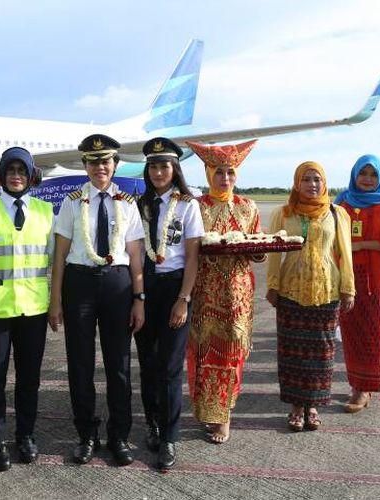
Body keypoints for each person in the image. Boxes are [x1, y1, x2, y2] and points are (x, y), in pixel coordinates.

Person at [49, 133, 145, 467]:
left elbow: (135, 256)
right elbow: (59, 254)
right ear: (85, 165)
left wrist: (139, 299)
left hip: (118, 286)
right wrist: (55, 300)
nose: (100, 167)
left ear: (116, 164)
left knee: (118, 365)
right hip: (79, 285)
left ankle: (119, 436)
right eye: (93, 161)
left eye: (105, 161)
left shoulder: (128, 203)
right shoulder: (72, 202)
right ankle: (86, 434)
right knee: (80, 364)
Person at [0, 147, 54, 471]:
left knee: (29, 380)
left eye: (22, 170)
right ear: (0, 176)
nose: (16, 175)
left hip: (33, 310)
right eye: (10, 170)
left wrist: (55, 304)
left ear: (32, 176)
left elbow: (54, 263)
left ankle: (25, 436)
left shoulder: (46, 212)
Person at [266, 161, 355, 431]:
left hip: (326, 290)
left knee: (322, 352)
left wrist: (348, 288)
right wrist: (272, 284)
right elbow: (274, 251)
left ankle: (313, 405)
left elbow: (345, 252)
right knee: (292, 352)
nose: (312, 185)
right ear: (296, 183)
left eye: (317, 179)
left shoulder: (337, 213)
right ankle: (295, 406)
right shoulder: (284, 213)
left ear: (324, 182)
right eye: (306, 179)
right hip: (291, 290)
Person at [184, 139, 261, 445]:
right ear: (208, 173)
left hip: (237, 295)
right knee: (201, 354)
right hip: (203, 292)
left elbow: (257, 248)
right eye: (219, 172)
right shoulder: (196, 207)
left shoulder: (247, 207)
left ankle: (224, 417)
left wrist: (259, 251)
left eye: (230, 172)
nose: (225, 178)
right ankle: (206, 411)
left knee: (231, 356)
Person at [135, 138, 202, 469]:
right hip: (145, 291)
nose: (159, 171)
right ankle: (153, 423)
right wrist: (137, 298)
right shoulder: (138, 205)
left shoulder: (188, 205)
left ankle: (170, 438)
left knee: (171, 366)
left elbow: (192, 257)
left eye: (165, 165)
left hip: (175, 289)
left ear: (175, 169)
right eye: (153, 165)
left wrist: (184, 299)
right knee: (148, 363)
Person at [335, 155, 380, 410]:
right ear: (355, 175)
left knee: (372, 334)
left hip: (378, 280)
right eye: (363, 174)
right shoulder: (342, 202)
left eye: (372, 174)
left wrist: (361, 245)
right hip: (347, 277)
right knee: (351, 334)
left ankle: (362, 389)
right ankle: (357, 383)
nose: (367, 179)